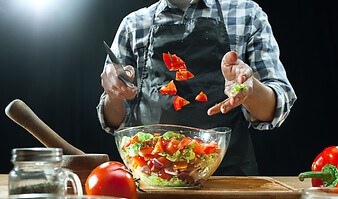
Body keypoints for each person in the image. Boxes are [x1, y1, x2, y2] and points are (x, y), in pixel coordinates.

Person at [97, 0, 297, 176]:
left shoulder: (246, 14)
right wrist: (114, 94)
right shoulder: (133, 25)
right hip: (153, 177)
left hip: (229, 180)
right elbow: (116, 122)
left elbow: (277, 107)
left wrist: (249, 90)